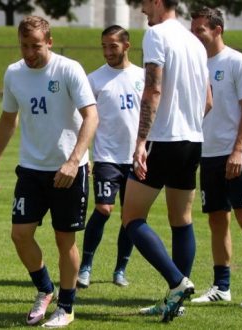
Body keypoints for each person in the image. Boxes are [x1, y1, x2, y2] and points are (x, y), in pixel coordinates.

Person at [0, 16, 98, 327]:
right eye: (24, 45)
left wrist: (74, 161)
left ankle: (67, 306)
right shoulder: (14, 73)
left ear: (49, 41)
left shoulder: (68, 69)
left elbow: (91, 116)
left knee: (65, 241)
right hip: (31, 170)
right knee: (20, 235)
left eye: (35, 46)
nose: (29, 52)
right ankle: (45, 289)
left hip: (68, 172)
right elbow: (9, 119)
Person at [121, 0, 211, 322]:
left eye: (145, 2)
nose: (142, 7)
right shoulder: (195, 42)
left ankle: (177, 283)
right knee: (181, 220)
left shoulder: (156, 35)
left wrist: (142, 141)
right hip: (192, 141)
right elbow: (208, 101)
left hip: (163, 139)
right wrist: (189, 124)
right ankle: (177, 300)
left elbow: (153, 90)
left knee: (131, 217)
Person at [189, 7, 242, 308]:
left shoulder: (238, 62)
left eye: (200, 30)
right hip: (209, 153)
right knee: (216, 220)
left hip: (237, 152)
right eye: (193, 29)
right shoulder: (197, 65)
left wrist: (238, 149)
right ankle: (221, 286)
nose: (195, 35)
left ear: (217, 30)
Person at [77, 25, 142, 290]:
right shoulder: (94, 80)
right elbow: (81, 119)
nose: (107, 51)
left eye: (112, 46)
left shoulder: (144, 76)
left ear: (126, 46)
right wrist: (84, 153)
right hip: (107, 156)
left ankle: (120, 269)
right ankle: (85, 267)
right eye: (104, 46)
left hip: (137, 158)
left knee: (131, 216)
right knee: (104, 209)